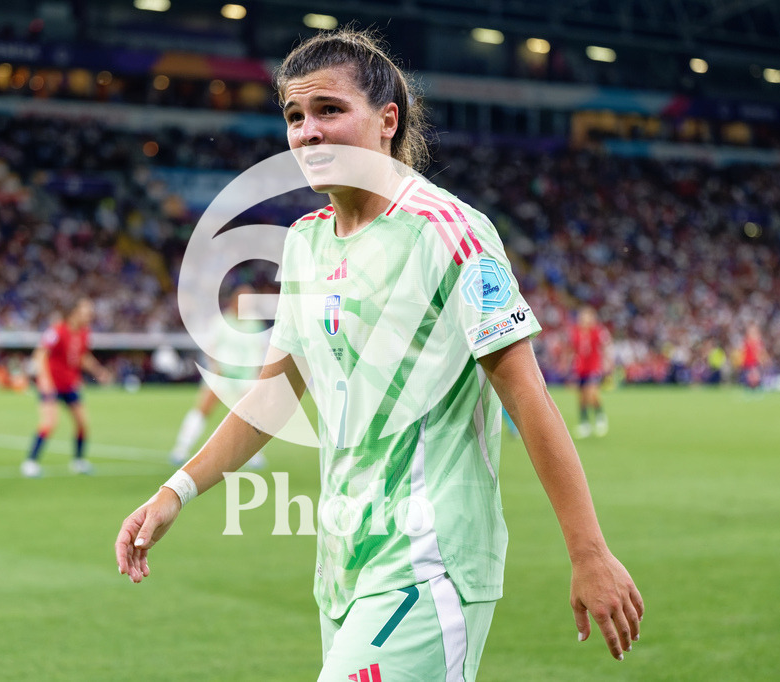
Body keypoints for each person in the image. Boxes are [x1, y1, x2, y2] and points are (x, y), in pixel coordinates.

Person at [115, 29, 643, 680]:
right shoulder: (305, 244)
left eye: (329, 111)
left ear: (386, 120)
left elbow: (527, 397)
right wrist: (175, 492)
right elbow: (272, 398)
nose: (308, 132)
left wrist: (588, 551)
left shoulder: (449, 233)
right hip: (343, 563)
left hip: (431, 561)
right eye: (295, 116)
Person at [169, 284, 267, 469]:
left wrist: (257, 373)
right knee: (202, 409)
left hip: (245, 376)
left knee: (251, 414)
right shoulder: (221, 322)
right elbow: (210, 347)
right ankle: (181, 448)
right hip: (222, 375)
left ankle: (253, 454)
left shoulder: (255, 323)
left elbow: (261, 349)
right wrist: (215, 366)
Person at [21, 298, 113, 478]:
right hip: (52, 385)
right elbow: (40, 354)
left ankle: (78, 462)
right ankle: (30, 462)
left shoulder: (84, 333)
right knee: (49, 422)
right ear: (74, 312)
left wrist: (99, 371)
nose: (89, 315)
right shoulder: (57, 330)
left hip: (70, 384)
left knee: (82, 422)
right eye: (86, 311)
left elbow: (82, 356)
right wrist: (45, 381)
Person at [569, 306, 611, 438]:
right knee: (581, 397)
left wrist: (607, 363)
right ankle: (584, 424)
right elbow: (573, 351)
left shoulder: (597, 332)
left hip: (593, 366)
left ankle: (600, 417)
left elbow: (604, 347)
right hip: (580, 368)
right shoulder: (576, 332)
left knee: (592, 393)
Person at [739, 323, 768, 390]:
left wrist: (763, 361)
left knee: (754, 378)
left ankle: (756, 387)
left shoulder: (758, 342)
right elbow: (744, 353)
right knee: (750, 378)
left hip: (754, 364)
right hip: (748, 364)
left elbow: (761, 353)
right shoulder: (747, 342)